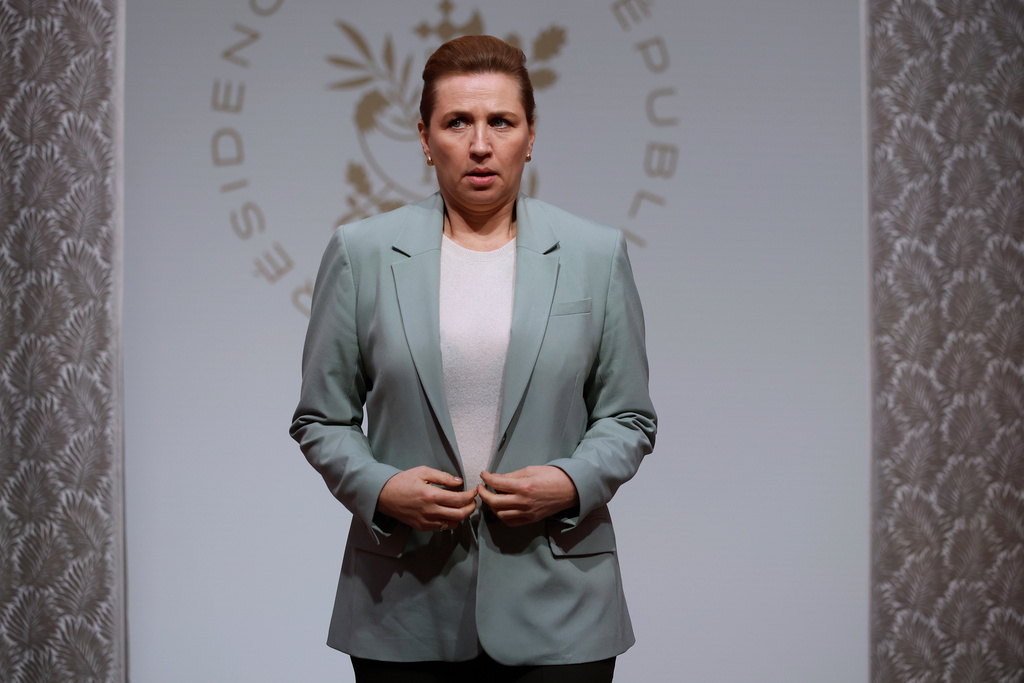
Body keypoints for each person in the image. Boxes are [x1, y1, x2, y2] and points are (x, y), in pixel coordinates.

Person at [290, 34, 656, 683]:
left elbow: (628, 416)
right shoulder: (361, 253)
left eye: (501, 122)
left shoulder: (596, 255)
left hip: (562, 605)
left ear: (531, 134)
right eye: (457, 121)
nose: (480, 143)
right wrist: (381, 488)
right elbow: (321, 418)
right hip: (403, 605)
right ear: (426, 137)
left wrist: (571, 482)